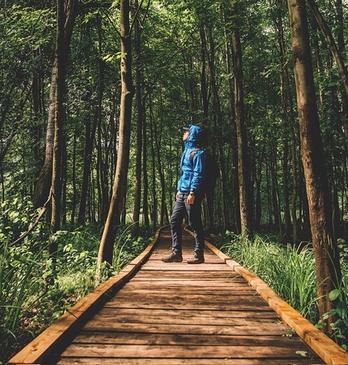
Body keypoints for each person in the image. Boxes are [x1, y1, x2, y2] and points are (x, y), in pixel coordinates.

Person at [162, 124, 207, 264]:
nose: (184, 134)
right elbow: (184, 173)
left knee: (194, 223)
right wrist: (179, 189)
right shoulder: (186, 151)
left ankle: (199, 254)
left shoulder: (199, 153)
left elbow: (198, 174)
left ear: (192, 134)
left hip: (191, 194)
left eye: (186, 132)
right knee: (174, 220)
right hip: (182, 193)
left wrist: (192, 192)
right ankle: (176, 253)